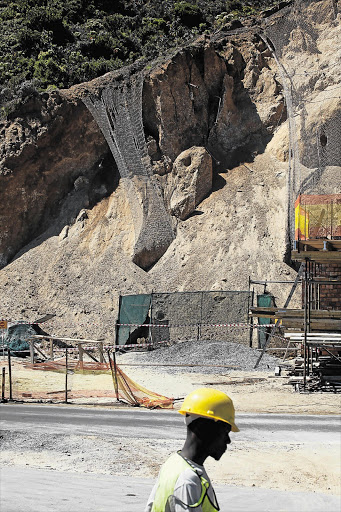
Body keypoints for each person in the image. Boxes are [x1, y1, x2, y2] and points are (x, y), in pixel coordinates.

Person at [144, 388, 239, 512]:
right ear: (203, 428)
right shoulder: (188, 480)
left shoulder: (172, 464)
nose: (228, 440)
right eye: (225, 431)